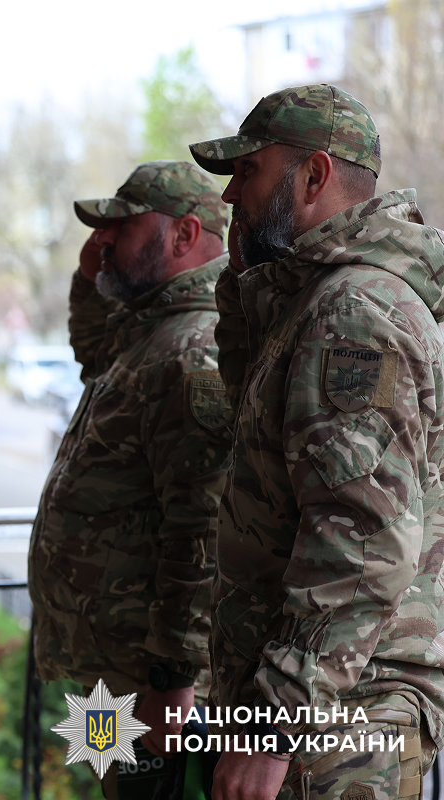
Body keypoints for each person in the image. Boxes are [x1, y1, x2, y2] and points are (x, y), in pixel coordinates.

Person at [188, 84, 444, 800]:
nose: (230, 194)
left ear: (314, 175)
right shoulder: (312, 300)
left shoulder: (353, 311)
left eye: (248, 171)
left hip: (338, 726)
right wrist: (242, 283)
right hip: (323, 709)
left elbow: (360, 539)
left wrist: (274, 728)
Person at [27, 160, 235, 799]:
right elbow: (91, 347)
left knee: (150, 794)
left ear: (184, 234)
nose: (103, 239)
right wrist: (91, 277)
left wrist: (173, 680)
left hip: (151, 680)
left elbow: (201, 528)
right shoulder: (147, 328)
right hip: (110, 667)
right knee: (117, 792)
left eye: (122, 227)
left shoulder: (194, 347)